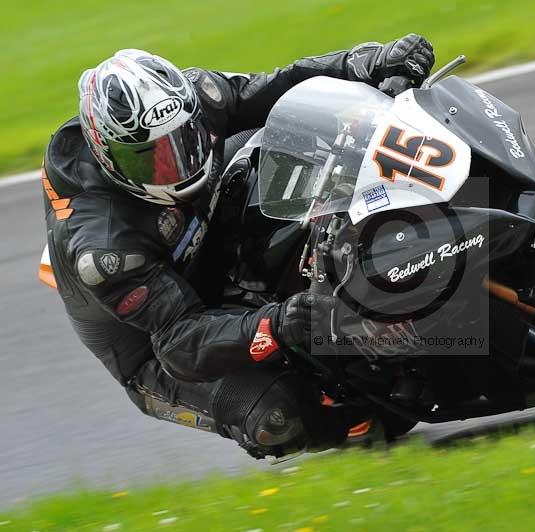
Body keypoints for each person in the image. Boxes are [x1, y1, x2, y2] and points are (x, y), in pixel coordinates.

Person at [41, 35, 435, 458]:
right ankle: (350, 420)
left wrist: (367, 62)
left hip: (198, 234)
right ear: (109, 158)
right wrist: (280, 323)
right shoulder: (103, 249)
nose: (177, 162)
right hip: (157, 341)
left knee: (301, 144)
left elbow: (287, 88)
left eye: (183, 139)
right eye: (150, 158)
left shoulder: (195, 96)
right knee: (276, 417)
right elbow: (181, 341)